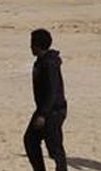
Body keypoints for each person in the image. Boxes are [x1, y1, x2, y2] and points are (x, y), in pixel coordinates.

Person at [25, 28, 67, 171]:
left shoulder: (49, 64)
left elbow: (53, 91)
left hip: (54, 111)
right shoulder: (41, 61)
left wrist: (43, 114)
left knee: (54, 147)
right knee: (30, 140)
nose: (30, 47)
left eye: (32, 44)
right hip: (45, 109)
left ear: (37, 45)